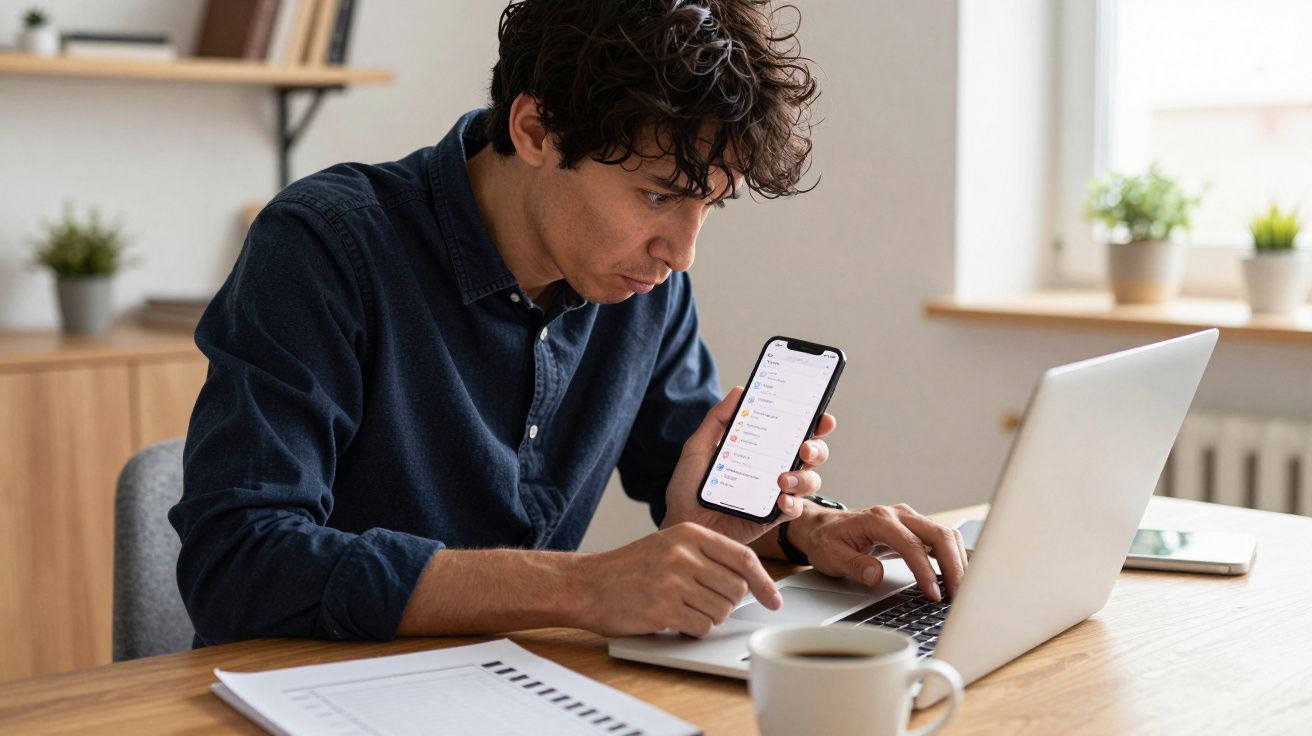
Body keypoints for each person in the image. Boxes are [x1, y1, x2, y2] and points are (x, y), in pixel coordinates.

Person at [169, 0, 966, 646]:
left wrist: (805, 535)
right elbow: (240, 565)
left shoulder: (639, 281)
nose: (680, 251)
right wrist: (580, 587)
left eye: (708, 206)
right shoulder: (324, 247)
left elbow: (687, 488)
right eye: (658, 195)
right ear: (536, 131)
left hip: (521, 692)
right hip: (316, 699)